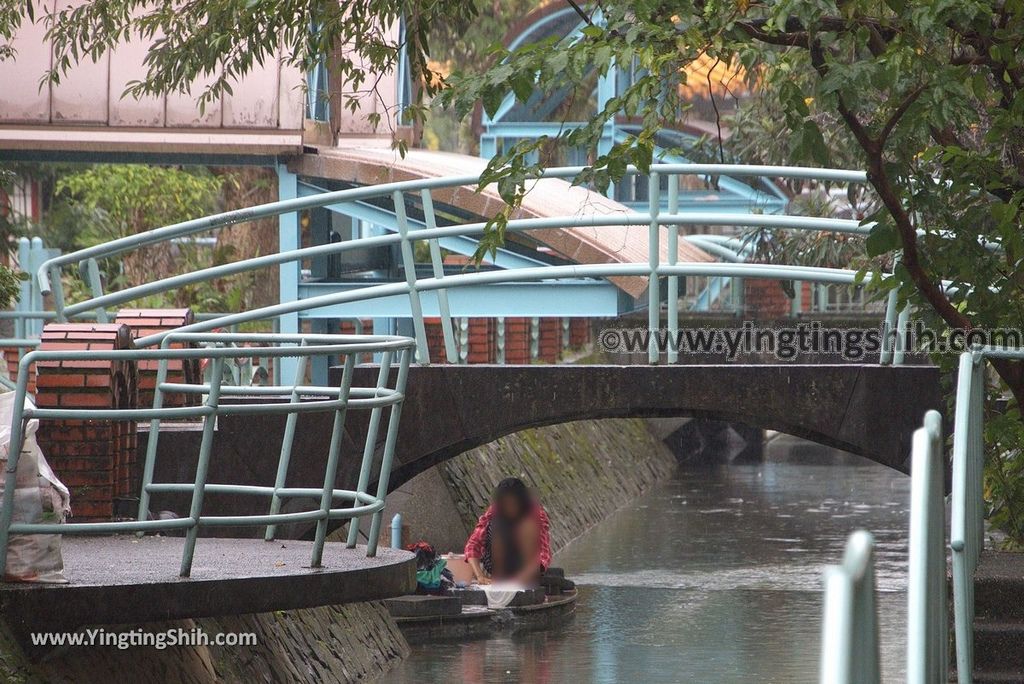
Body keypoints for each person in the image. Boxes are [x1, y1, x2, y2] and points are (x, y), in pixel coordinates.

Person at [464, 477, 551, 585]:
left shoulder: (535, 513)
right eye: (506, 504)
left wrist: (522, 577)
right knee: (497, 526)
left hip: (525, 566)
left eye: (514, 504)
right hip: (497, 564)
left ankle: (525, 577)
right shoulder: (495, 510)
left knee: (527, 526)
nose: (510, 508)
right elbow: (472, 545)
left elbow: (544, 555)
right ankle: (499, 577)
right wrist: (479, 576)